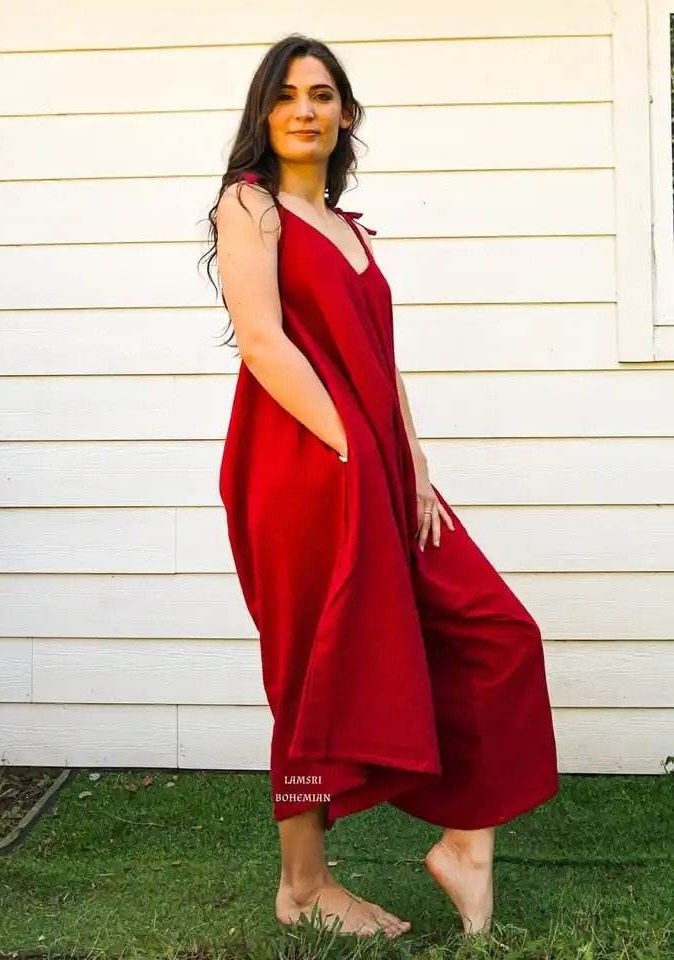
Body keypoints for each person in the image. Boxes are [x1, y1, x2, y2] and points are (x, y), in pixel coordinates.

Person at [202, 33, 560, 941]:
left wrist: (413, 458)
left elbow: (378, 360)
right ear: (263, 113)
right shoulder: (249, 205)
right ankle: (303, 885)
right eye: (287, 95)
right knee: (307, 667)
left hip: (373, 458)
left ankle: (464, 844)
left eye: (322, 94)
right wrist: (351, 448)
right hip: (298, 465)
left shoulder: (352, 230)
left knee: (496, 630)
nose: (305, 109)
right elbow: (263, 342)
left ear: (346, 114)